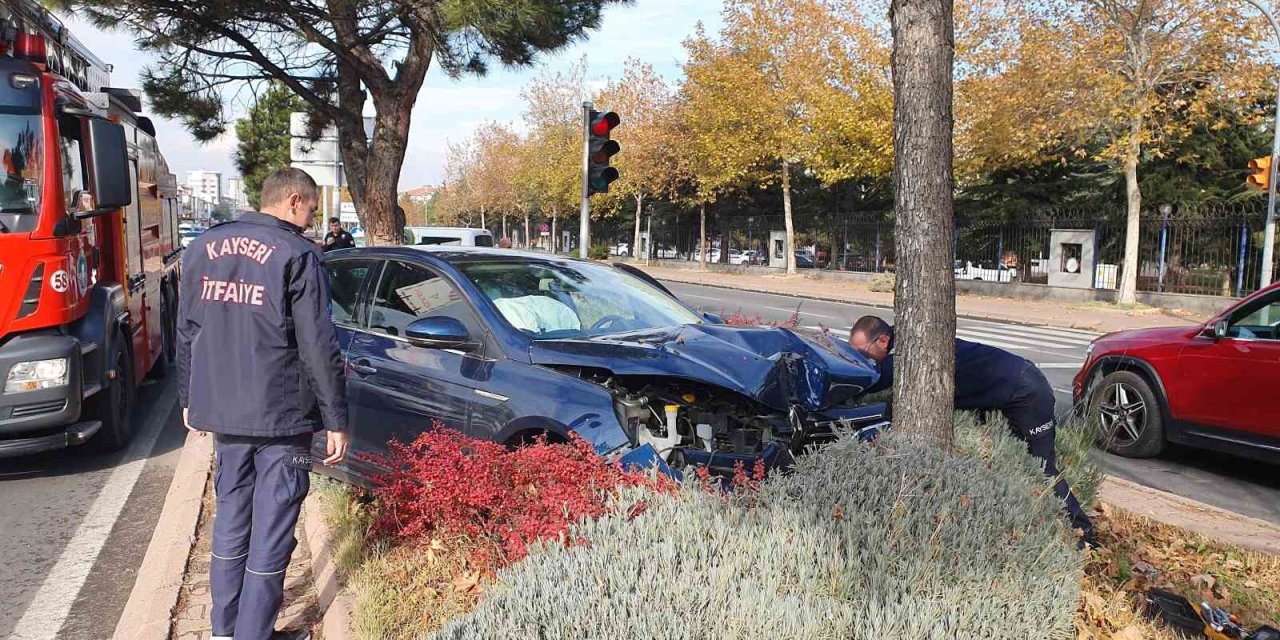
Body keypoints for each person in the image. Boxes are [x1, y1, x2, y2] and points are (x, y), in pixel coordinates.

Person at [178, 168, 350, 640]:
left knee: (232, 519)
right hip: (281, 415)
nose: (312, 219)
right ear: (294, 200)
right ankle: (253, 634)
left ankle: (222, 630)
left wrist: (188, 397)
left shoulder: (202, 248)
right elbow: (318, 344)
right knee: (272, 528)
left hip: (226, 414)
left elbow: (188, 329)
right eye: (312, 209)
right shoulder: (298, 254)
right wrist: (336, 418)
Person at [848, 315, 1096, 548]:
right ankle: (1028, 524)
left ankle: (1085, 535)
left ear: (882, 340)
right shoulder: (911, 337)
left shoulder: (909, 351)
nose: (863, 359)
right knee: (1007, 463)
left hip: (1027, 391)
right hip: (1001, 394)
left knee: (1043, 466)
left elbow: (870, 380)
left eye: (862, 353)